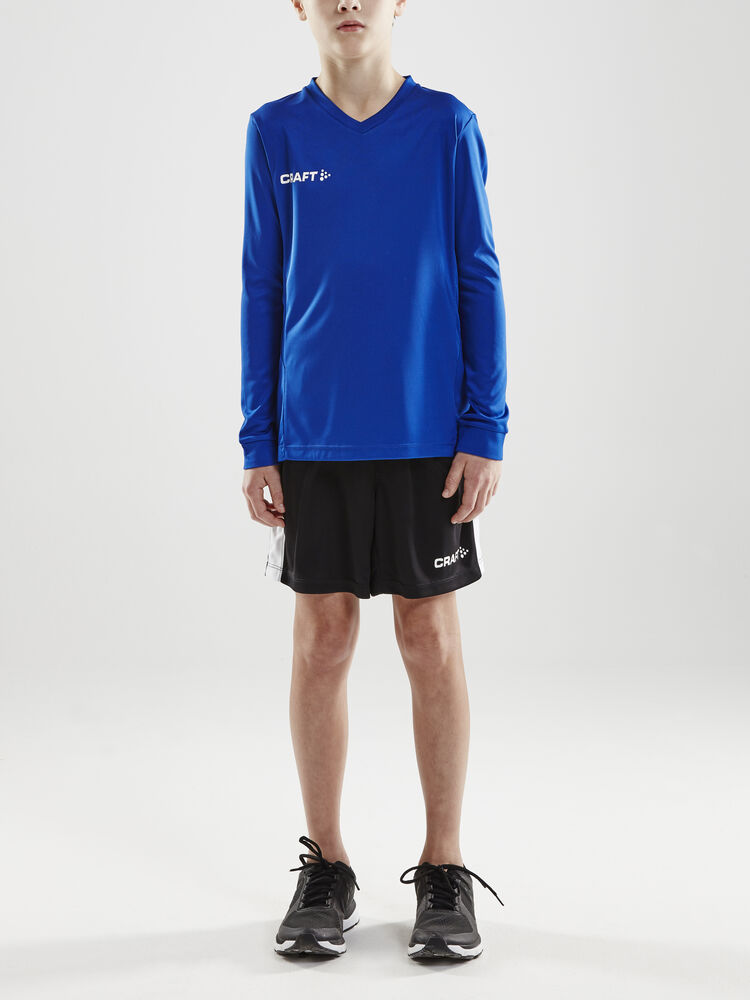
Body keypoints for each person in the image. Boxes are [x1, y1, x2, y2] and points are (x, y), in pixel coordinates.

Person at [240, 0, 508, 961]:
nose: (349, 2)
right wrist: (259, 436)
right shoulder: (275, 132)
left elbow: (478, 273)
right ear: (299, 6)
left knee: (428, 637)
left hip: (425, 434)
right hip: (314, 435)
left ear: (399, 4)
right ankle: (328, 865)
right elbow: (261, 283)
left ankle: (444, 867)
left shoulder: (445, 126)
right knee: (322, 641)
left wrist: (484, 424)